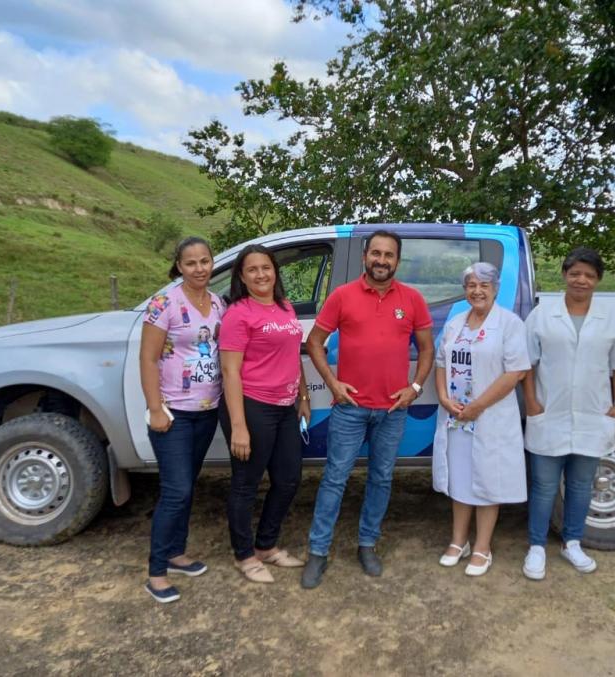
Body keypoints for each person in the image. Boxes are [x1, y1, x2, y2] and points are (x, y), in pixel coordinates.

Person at [301, 229, 434, 589]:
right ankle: (318, 551)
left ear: (397, 261)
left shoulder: (413, 299)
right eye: (375, 253)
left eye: (388, 255)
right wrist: (332, 383)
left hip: (392, 410)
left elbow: (426, 350)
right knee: (334, 478)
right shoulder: (343, 296)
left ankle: (367, 544)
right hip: (350, 408)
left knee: (381, 478)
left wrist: (415, 387)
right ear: (365, 257)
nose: (381, 260)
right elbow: (314, 343)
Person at [522, 246, 615, 580]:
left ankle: (572, 542)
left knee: (581, 484)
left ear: (597, 279)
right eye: (575, 274)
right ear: (564, 275)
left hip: (593, 414)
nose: (581, 280)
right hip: (548, 412)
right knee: (543, 485)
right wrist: (531, 402)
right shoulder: (542, 315)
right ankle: (536, 546)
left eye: (588, 275)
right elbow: (527, 363)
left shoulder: (611, 317)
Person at [219, 244, 311, 583]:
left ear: (275, 271)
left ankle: (266, 547)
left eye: (266, 268)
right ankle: (244, 555)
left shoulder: (285, 307)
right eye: (253, 269)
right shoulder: (238, 314)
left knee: (288, 480)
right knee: (246, 484)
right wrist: (239, 427)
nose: (261, 274)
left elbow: (293, 356)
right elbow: (230, 372)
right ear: (242, 276)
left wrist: (302, 395)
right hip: (252, 406)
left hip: (286, 406)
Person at [140, 236, 224, 603]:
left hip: (206, 411)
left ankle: (176, 554)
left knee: (187, 486)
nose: (200, 268)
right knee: (176, 491)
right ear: (178, 266)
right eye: (191, 263)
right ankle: (156, 572)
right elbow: (148, 358)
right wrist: (156, 408)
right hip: (173, 414)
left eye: (205, 261)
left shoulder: (217, 302)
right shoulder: (164, 303)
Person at [432, 262, 530, 576]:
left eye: (484, 285)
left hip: (489, 416)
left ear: (496, 288)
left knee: (487, 479)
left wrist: (478, 406)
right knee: (460, 477)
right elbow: (441, 363)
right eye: (471, 285)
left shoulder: (510, 324)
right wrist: (444, 398)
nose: (477, 291)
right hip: (457, 417)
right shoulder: (456, 323)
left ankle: (482, 548)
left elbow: (516, 372)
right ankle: (458, 541)